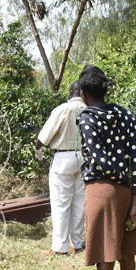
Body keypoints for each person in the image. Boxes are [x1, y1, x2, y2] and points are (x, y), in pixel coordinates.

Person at [75, 66, 136, 270]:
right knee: (127, 255)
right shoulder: (126, 115)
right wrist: (135, 193)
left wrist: (123, 179)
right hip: (128, 195)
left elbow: (99, 160)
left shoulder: (87, 118)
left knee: (105, 258)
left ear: (83, 93)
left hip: (101, 191)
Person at [35, 81, 86, 255]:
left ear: (71, 92)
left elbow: (44, 136)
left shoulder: (64, 109)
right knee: (79, 202)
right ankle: (78, 243)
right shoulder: (89, 109)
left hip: (64, 156)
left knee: (61, 203)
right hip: (85, 157)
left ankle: (60, 247)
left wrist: (38, 147)